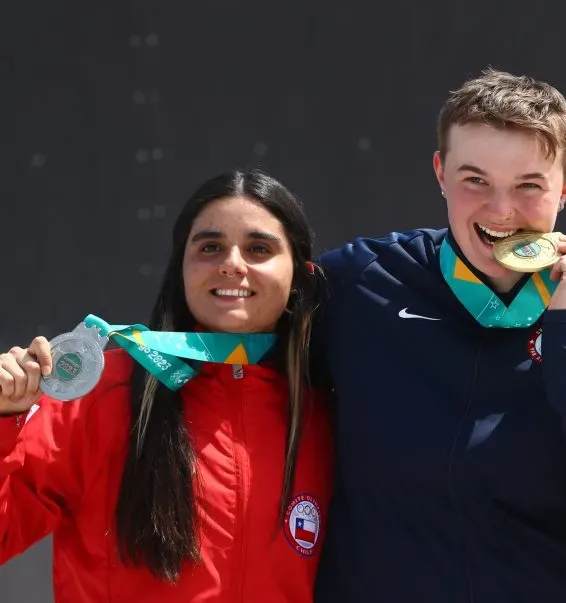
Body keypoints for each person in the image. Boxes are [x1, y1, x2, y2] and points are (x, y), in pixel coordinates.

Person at [312, 69, 566, 601]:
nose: (501, 210)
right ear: (440, 173)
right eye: (474, 180)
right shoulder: (361, 282)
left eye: (529, 185)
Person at [0, 170, 333, 602]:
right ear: (181, 269)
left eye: (259, 249)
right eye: (210, 247)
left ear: (300, 274)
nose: (232, 263)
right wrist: (5, 421)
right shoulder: (99, 393)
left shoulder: (329, 408)